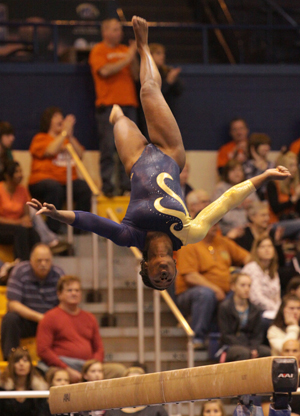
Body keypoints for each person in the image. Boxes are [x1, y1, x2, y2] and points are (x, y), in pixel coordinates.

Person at [28, 16, 291, 292]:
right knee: (149, 90)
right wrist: (264, 176)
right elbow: (225, 202)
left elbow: (94, 223)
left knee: (119, 119)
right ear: (176, 267)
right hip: (170, 152)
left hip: (134, 160)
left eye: (157, 279)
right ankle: (143, 46)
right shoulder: (189, 233)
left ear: (146, 267)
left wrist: (58, 215)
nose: (164, 276)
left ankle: (119, 116)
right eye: (168, 279)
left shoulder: (131, 235)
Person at [36, 275, 126, 383]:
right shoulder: (49, 317)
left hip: (88, 366)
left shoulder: (89, 317)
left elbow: (99, 349)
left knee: (119, 371)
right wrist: (66, 369)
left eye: (77, 290)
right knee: (59, 376)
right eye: (69, 290)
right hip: (62, 366)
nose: (74, 293)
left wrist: (93, 369)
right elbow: (43, 350)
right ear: (59, 294)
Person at [175, 223, 251, 349]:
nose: (215, 227)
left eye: (217, 223)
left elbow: (247, 257)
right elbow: (190, 276)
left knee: (242, 287)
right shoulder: (189, 243)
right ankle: (197, 337)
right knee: (205, 294)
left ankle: (232, 337)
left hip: (224, 291)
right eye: (211, 223)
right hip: (190, 293)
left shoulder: (223, 242)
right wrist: (215, 289)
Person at [89, 18, 139, 197]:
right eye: (115, 30)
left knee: (130, 149)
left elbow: (135, 75)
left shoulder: (125, 50)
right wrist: (128, 57)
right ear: (105, 32)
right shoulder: (99, 50)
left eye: (120, 30)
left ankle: (128, 186)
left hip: (129, 104)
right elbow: (105, 71)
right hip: (108, 105)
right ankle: (108, 186)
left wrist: (132, 57)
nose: (120, 33)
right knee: (109, 147)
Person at [28, 106, 91, 233]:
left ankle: (79, 230)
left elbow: (79, 154)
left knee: (84, 188)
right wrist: (63, 134)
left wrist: (70, 136)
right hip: (42, 182)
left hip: (66, 182)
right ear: (48, 121)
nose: (61, 120)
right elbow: (51, 150)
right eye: (56, 117)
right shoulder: (40, 138)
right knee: (54, 188)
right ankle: (53, 230)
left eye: (61, 117)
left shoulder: (67, 139)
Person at [1, 243, 64, 360]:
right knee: (10, 319)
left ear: (52, 261)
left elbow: (65, 304)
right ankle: (10, 361)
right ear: (31, 260)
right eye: (39, 261)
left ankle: (62, 360)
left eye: (47, 261)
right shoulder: (19, 271)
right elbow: (13, 304)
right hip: (27, 319)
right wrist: (40, 317)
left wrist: (50, 319)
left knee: (66, 321)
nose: (43, 264)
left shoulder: (59, 274)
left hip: (51, 321)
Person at [218, 273, 270, 362]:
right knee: (244, 353)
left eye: (249, 286)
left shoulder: (255, 309)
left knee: (266, 352)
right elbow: (226, 335)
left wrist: (253, 348)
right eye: (243, 285)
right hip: (230, 345)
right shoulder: (225, 307)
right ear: (233, 287)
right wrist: (248, 348)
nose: (246, 289)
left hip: (250, 345)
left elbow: (257, 335)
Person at [0, 160, 40, 260]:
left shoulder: (22, 190)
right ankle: (22, 265)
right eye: (16, 172)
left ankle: (36, 261)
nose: (20, 175)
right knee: (20, 231)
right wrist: (18, 222)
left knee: (34, 234)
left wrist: (26, 220)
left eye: (21, 171)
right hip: (3, 227)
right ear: (7, 176)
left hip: (18, 226)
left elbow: (27, 213)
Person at [212, 159, 258, 236]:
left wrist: (250, 205)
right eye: (233, 170)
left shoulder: (248, 186)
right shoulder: (220, 188)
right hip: (228, 227)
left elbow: (257, 206)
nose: (237, 173)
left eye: (239, 170)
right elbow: (217, 211)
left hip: (248, 225)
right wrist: (237, 203)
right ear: (227, 173)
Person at [241, 235, 281, 324]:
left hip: (271, 311)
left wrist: (280, 310)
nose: (267, 249)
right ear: (257, 251)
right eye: (263, 247)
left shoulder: (273, 271)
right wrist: (276, 309)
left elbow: (277, 297)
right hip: (253, 311)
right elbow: (256, 298)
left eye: (270, 246)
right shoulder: (252, 268)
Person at [0, 347, 48, 416]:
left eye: (25, 361)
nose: (21, 364)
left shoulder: (40, 390)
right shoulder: (2, 388)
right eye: (17, 361)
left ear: (30, 365)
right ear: (11, 365)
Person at [267, 151, 300, 238]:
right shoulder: (273, 184)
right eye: (291, 165)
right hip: (275, 223)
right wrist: (294, 199)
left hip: (293, 222)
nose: (295, 169)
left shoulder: (295, 185)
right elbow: (276, 208)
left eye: (296, 165)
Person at [243, 133, 274, 201]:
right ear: (254, 147)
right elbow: (251, 185)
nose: (267, 147)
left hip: (269, 201)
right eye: (263, 144)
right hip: (251, 201)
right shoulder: (247, 165)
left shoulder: (271, 165)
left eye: (268, 145)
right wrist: (258, 164)